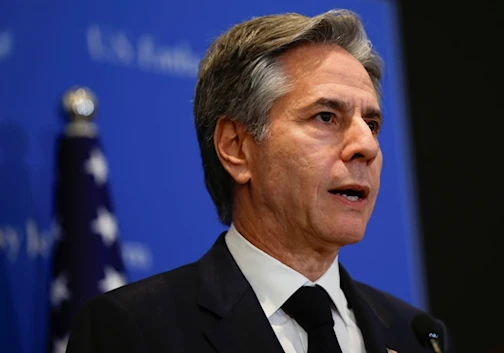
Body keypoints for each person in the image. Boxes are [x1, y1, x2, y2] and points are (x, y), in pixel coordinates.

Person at [67, 9, 453, 353]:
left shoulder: (417, 336)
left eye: (371, 124)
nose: (366, 146)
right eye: (326, 117)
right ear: (236, 147)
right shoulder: (136, 330)